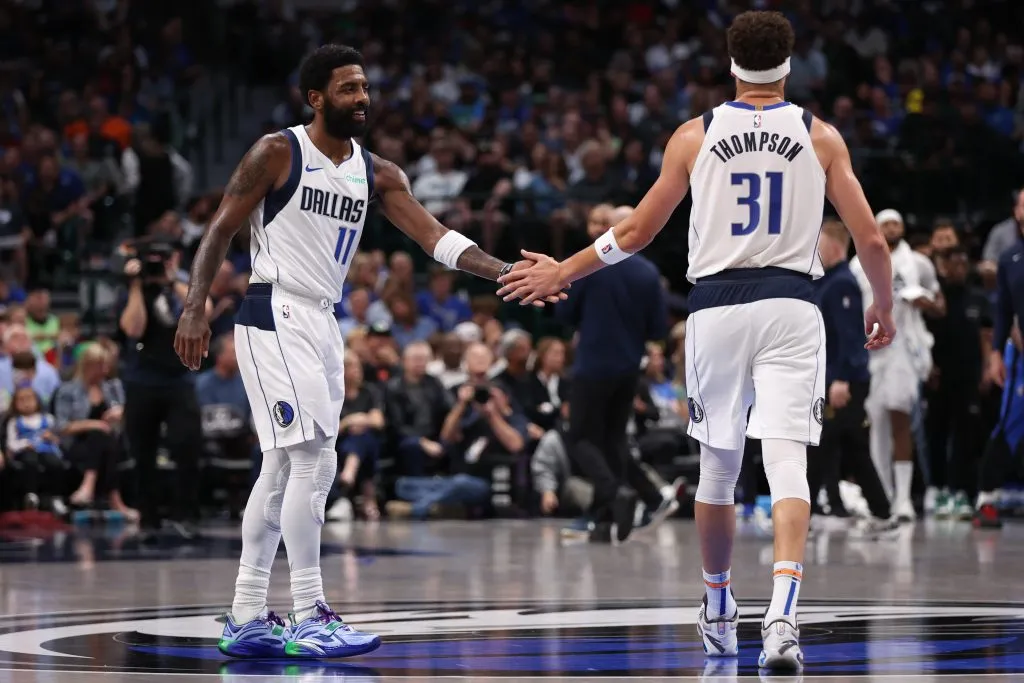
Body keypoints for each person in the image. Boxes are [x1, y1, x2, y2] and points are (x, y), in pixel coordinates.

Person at [498, 11, 895, 671]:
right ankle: (781, 617)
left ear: (730, 64)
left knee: (719, 465)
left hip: (715, 309)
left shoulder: (694, 134)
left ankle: (717, 604)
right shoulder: (821, 136)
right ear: (789, 65)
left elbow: (637, 232)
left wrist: (563, 269)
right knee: (788, 459)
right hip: (793, 304)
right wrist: (880, 303)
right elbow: (872, 239)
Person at [174, 45, 564, 660]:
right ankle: (308, 613)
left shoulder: (377, 171)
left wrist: (503, 271)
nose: (362, 98)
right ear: (315, 98)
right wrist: (195, 306)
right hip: (273, 308)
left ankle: (247, 613)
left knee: (285, 467)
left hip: (323, 319)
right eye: (349, 88)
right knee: (311, 461)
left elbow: (437, 238)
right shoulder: (279, 152)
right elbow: (221, 227)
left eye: (365, 88)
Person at [554, 203, 669, 545]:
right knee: (613, 440)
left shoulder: (592, 265)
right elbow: (657, 327)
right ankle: (605, 521)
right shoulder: (649, 273)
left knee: (578, 437)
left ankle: (613, 491)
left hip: (593, 364)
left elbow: (565, 313)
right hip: (628, 368)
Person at [850, 208, 944, 522]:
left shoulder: (919, 263)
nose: (891, 228)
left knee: (900, 419)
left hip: (902, 347)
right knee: (874, 425)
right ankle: (883, 497)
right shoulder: (856, 264)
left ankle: (904, 498)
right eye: (886, 223)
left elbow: (939, 304)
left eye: (896, 223)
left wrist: (923, 301)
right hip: (869, 351)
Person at [809, 220, 894, 529]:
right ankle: (882, 511)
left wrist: (841, 379)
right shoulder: (827, 282)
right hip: (836, 377)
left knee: (822, 445)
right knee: (852, 445)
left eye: (818, 243)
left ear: (832, 245)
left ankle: (800, 514)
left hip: (845, 380)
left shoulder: (841, 283)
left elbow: (848, 336)